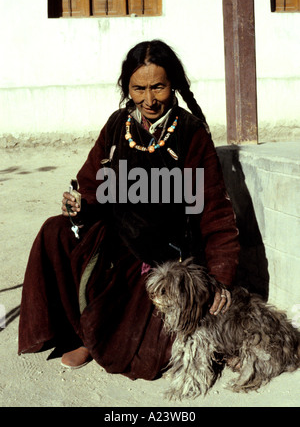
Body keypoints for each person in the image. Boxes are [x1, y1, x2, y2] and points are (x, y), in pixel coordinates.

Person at [18, 40, 240, 378]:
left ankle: (99, 338)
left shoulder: (191, 134)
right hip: (115, 237)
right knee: (55, 231)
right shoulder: (117, 125)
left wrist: (220, 279)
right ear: (127, 88)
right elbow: (90, 182)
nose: (149, 99)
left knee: (151, 355)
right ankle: (79, 333)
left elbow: (215, 213)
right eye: (139, 88)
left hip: (163, 254)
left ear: (173, 85)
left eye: (158, 87)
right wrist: (79, 202)